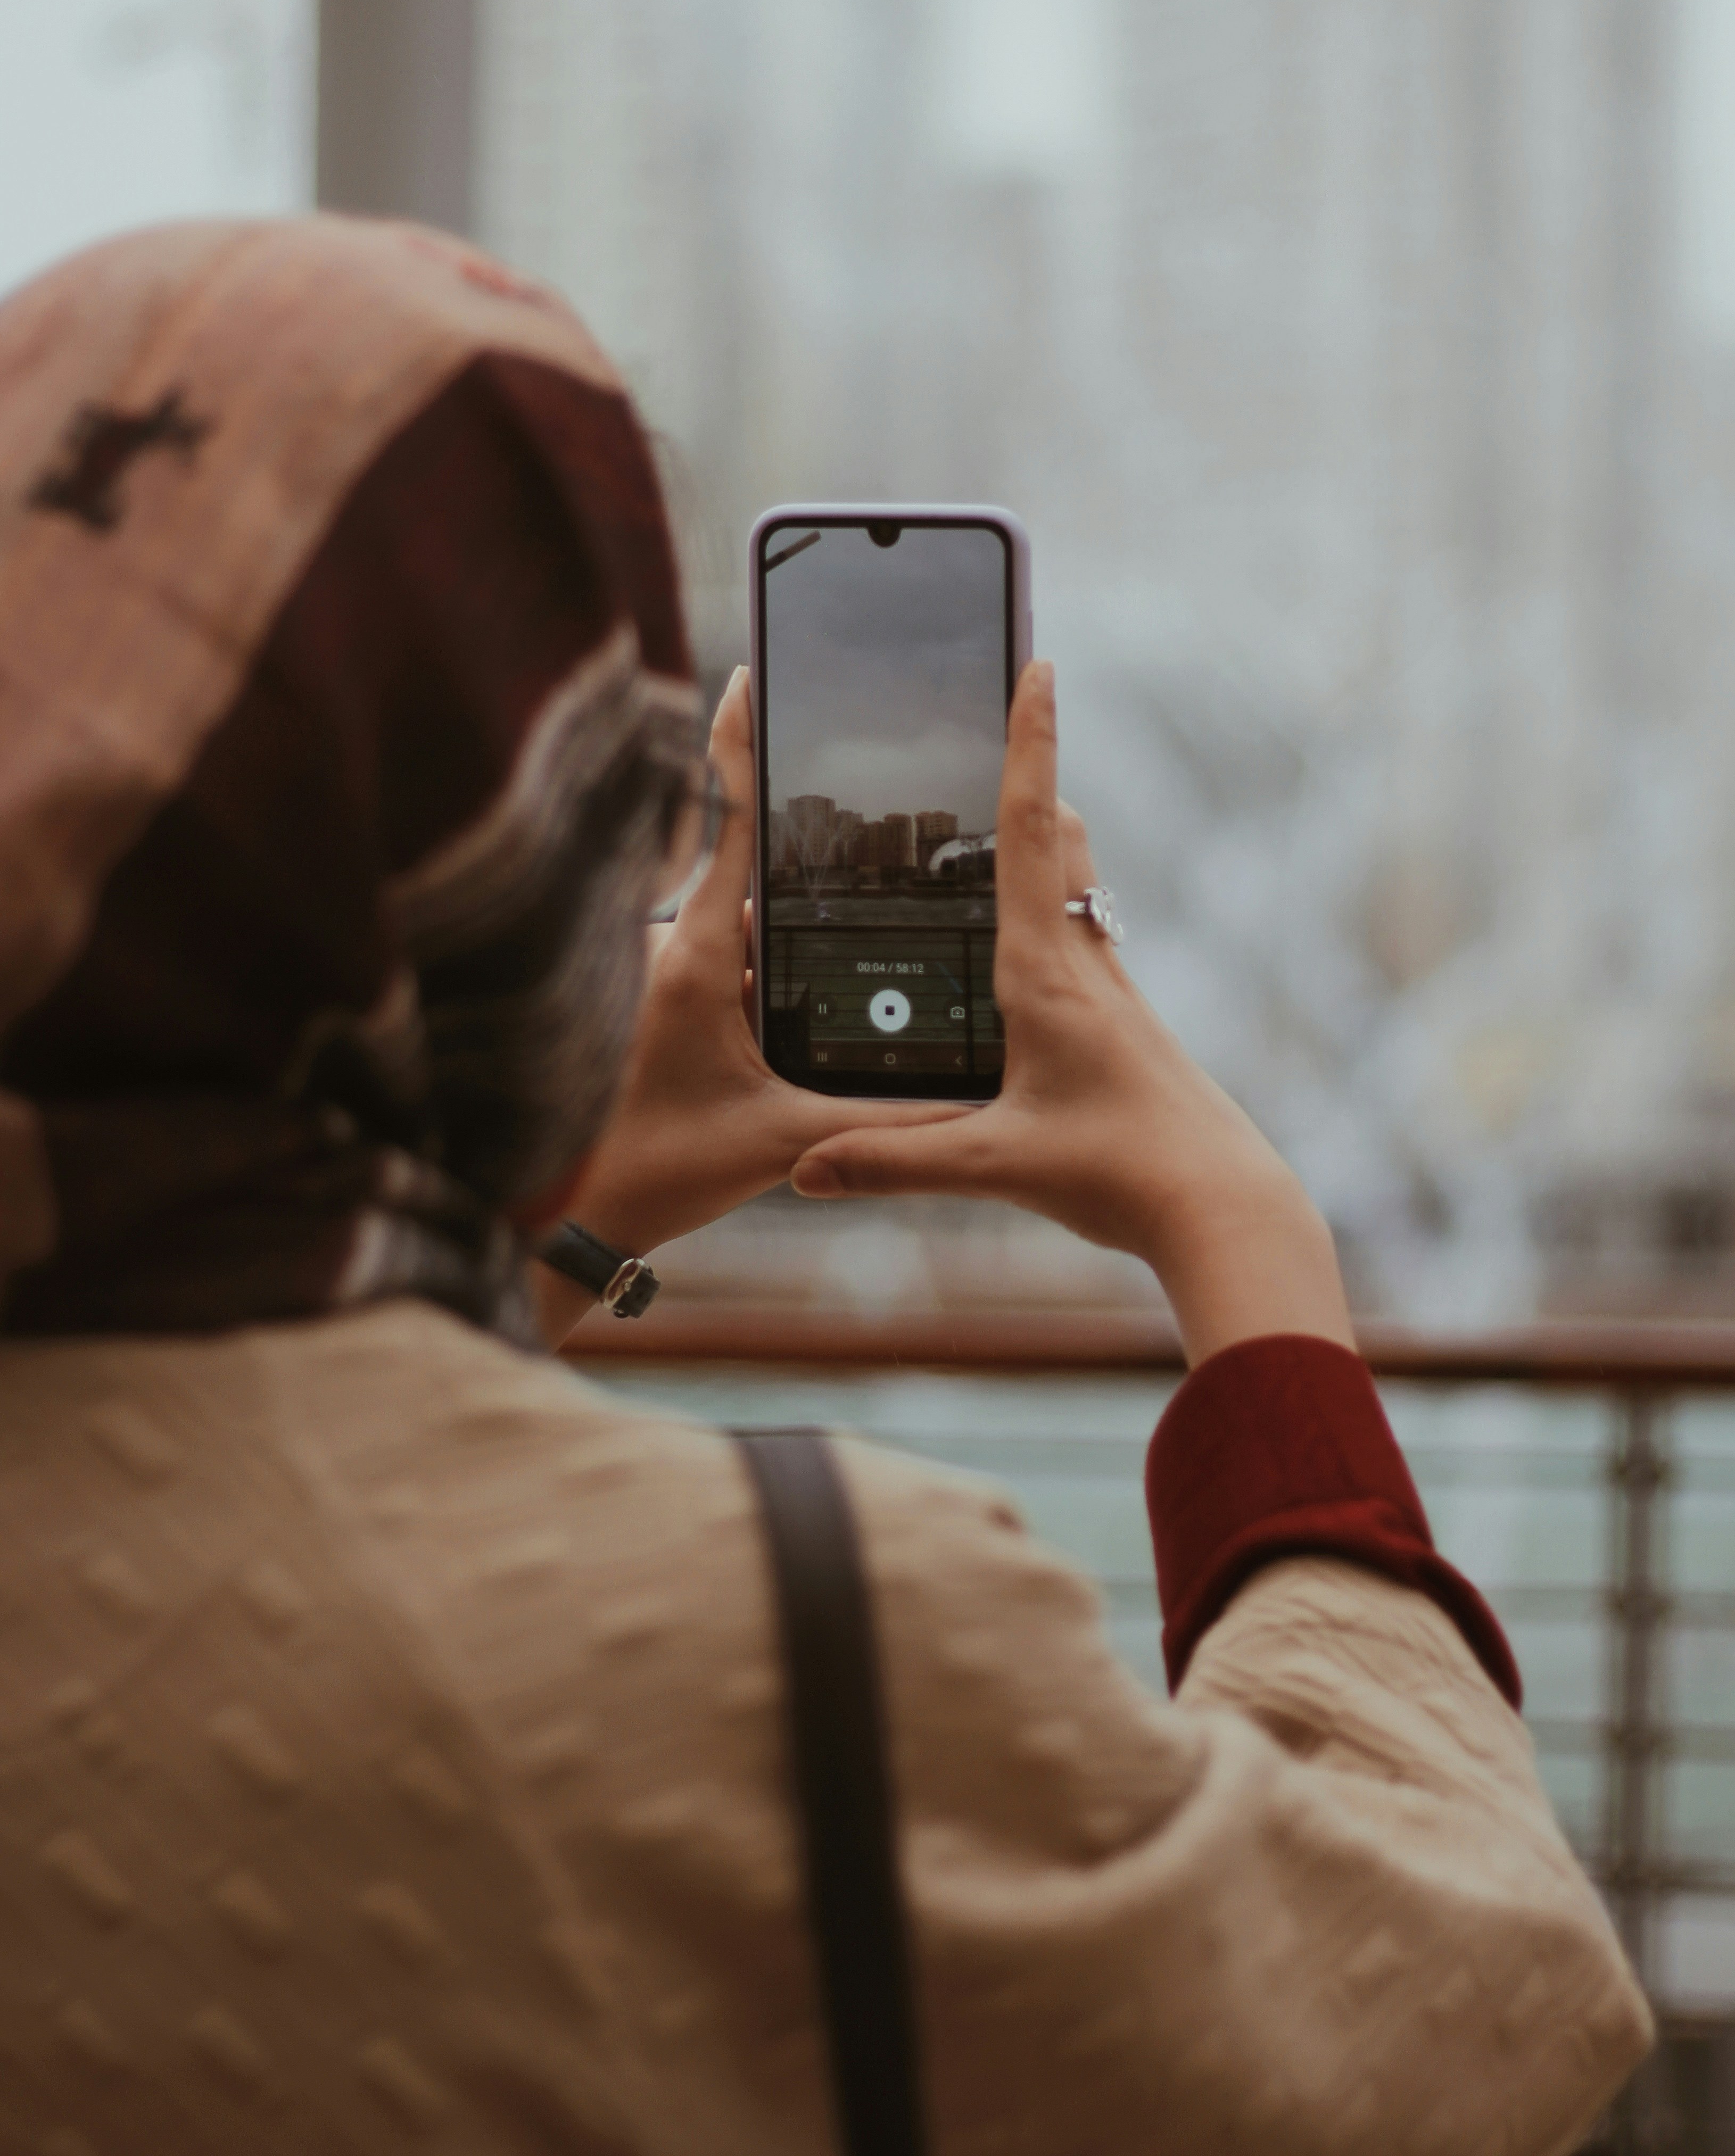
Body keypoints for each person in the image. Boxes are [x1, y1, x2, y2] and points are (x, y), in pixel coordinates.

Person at [0, 216, 1649, 2153]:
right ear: (538, 843)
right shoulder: (791, 1647)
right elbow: (1478, 2011)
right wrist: (1246, 1237)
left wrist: (551, 1222)